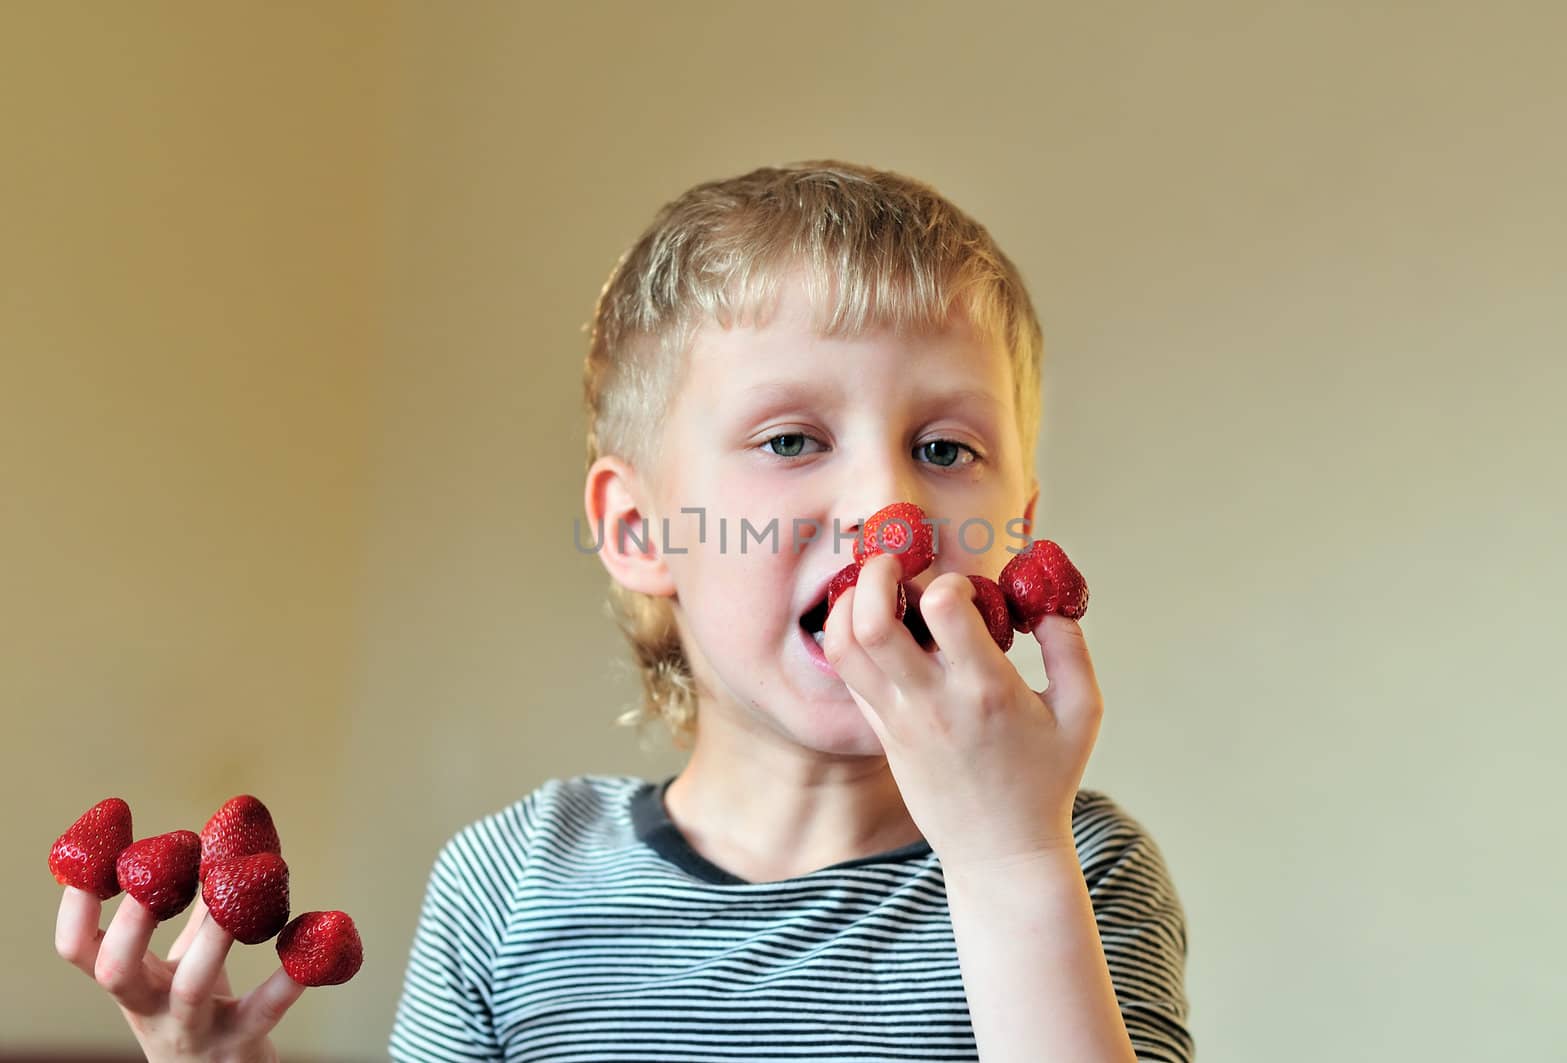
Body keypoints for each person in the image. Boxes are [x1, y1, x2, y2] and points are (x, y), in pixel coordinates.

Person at [51, 159, 1194, 1062]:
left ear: (1018, 526)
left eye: (945, 449)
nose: (884, 508)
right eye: (792, 439)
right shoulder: (512, 884)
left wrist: (1005, 854)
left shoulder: (1076, 868)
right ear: (640, 530)